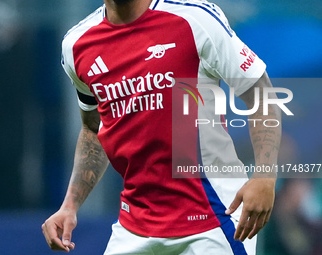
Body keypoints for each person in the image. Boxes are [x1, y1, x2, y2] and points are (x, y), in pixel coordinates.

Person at [42, 0, 281, 254]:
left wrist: (265, 177)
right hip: (135, 227)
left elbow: (260, 93)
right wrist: (70, 206)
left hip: (214, 218)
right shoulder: (77, 44)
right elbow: (94, 129)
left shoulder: (196, 18)